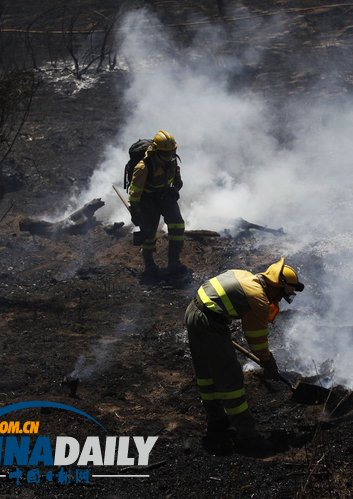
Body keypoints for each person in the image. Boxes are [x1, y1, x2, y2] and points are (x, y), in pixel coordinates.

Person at [184, 257, 305, 458]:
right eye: (282, 295)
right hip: (210, 322)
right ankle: (248, 436)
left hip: (195, 313)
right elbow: (256, 340)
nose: (279, 300)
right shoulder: (257, 297)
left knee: (207, 374)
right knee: (231, 377)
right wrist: (269, 363)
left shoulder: (243, 275)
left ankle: (216, 422)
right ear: (277, 285)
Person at [128, 130, 185, 275]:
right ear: (157, 151)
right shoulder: (143, 167)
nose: (170, 156)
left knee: (177, 224)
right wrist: (135, 212)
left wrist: (174, 191)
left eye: (173, 152)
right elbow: (134, 192)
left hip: (165, 196)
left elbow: (177, 181)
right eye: (167, 153)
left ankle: (174, 261)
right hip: (148, 200)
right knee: (149, 234)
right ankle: (149, 264)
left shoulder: (172, 160)